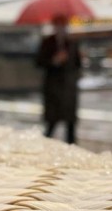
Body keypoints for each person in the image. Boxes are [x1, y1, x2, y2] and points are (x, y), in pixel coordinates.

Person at [35, 14, 82, 144]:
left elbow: (78, 64)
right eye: (59, 25)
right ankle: (45, 148)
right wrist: (54, 61)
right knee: (51, 124)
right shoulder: (47, 43)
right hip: (53, 88)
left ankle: (72, 150)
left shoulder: (71, 43)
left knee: (70, 126)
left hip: (68, 88)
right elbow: (39, 62)